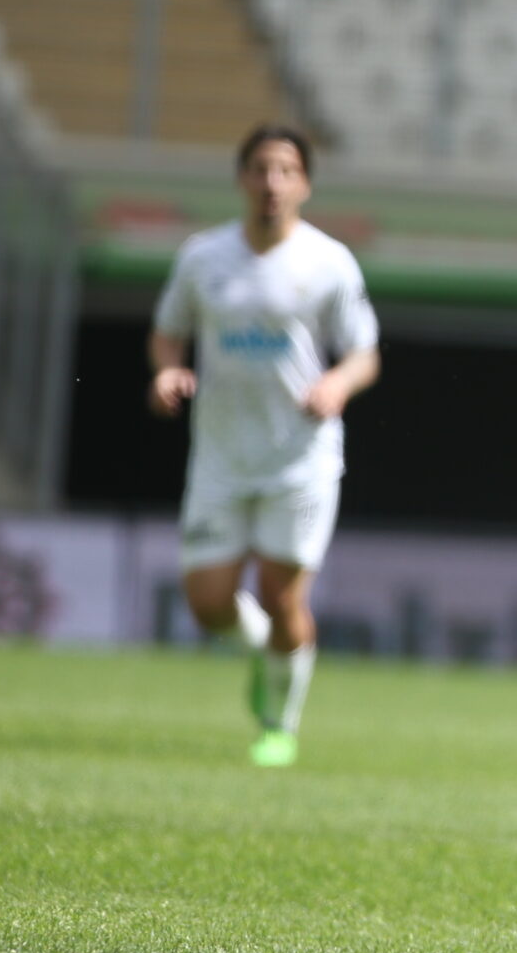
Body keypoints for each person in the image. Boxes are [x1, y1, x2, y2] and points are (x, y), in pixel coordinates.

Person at [148, 125, 380, 768]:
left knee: (283, 596)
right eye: (259, 169)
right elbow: (168, 334)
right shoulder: (202, 257)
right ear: (241, 178)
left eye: (284, 170)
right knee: (209, 605)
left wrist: (337, 382)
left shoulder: (329, 262)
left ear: (304, 183)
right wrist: (166, 372)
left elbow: (364, 354)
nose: (271, 183)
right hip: (221, 456)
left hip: (300, 459)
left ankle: (279, 724)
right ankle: (261, 656)